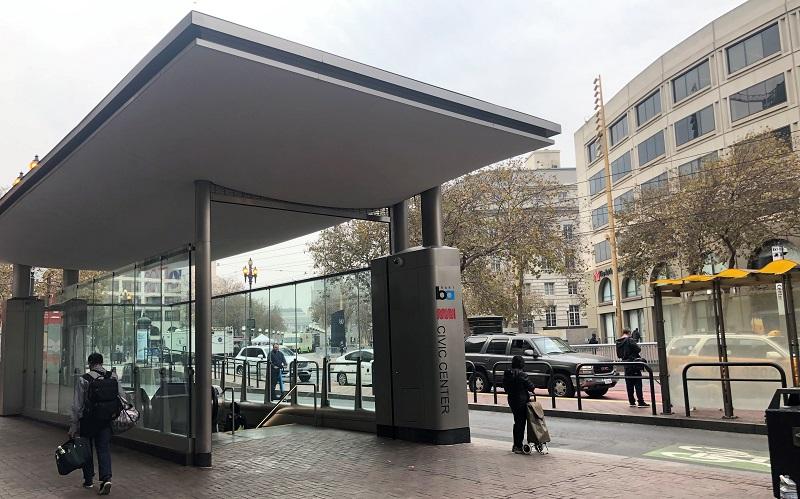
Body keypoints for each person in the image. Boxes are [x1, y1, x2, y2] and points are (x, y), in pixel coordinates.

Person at [69, 353, 127, 495]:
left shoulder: (84, 379)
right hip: (106, 419)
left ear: (90, 363)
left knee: (86, 450)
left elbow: (77, 405)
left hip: (88, 420)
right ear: (101, 362)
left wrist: (73, 425)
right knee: (103, 449)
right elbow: (122, 396)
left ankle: (88, 480)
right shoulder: (112, 376)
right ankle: (106, 478)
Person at [502, 355, 535, 454]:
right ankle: (518, 445)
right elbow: (531, 387)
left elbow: (505, 388)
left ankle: (516, 445)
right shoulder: (522, 375)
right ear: (521, 364)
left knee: (517, 422)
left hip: (512, 400)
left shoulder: (507, 374)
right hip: (521, 401)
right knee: (521, 423)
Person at [615, 329, 649, 408]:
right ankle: (640, 401)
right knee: (638, 383)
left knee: (629, 383)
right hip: (634, 363)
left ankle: (631, 401)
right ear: (629, 333)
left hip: (626, 364)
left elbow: (619, 355)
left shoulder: (618, 342)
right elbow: (638, 349)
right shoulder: (630, 340)